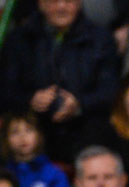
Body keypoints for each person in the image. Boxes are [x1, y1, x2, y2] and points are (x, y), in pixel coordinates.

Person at [0, 0, 121, 162]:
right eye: (54, 1)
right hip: (34, 133)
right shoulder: (19, 39)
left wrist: (79, 104)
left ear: (79, 2)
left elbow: (111, 91)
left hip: (86, 132)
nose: (61, 7)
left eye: (68, 0)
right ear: (41, 3)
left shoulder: (101, 39)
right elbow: (5, 91)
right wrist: (31, 99)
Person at [3, 114, 71, 187]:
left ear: (38, 135)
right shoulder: (4, 176)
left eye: (29, 130)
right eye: (15, 132)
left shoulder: (54, 174)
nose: (22, 137)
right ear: (6, 139)